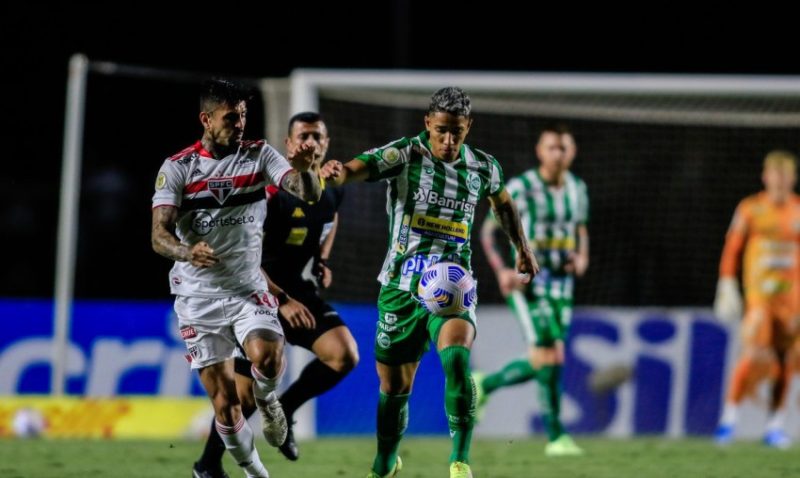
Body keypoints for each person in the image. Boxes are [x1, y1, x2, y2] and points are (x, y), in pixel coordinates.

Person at [324, 87, 538, 478]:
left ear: (468, 126)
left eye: (457, 131)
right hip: (401, 288)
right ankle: (386, 461)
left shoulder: (483, 167)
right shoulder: (404, 154)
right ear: (428, 123)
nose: (448, 139)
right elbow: (358, 168)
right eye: (441, 130)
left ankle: (460, 462)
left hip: (453, 287)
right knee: (393, 388)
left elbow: (503, 202)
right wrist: (337, 172)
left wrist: (521, 247)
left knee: (457, 358)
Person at [152, 78, 324, 478]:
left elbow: (306, 192)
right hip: (198, 299)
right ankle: (254, 473)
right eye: (231, 117)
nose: (240, 123)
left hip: (248, 288)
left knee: (269, 358)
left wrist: (308, 168)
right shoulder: (177, 168)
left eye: (244, 115)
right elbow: (158, 235)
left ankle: (268, 401)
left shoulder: (259, 154)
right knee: (226, 405)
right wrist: (185, 251)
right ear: (206, 120)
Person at [192, 112, 359, 478]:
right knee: (245, 396)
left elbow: (332, 219)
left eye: (317, 136)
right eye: (303, 137)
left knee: (343, 354)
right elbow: (242, 257)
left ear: (327, 143)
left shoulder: (334, 185)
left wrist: (323, 259)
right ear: (289, 145)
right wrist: (282, 300)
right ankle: (206, 466)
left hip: (295, 289)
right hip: (255, 290)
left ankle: (283, 411)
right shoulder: (270, 193)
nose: (311, 143)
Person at [475, 125, 589, 457]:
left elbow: (580, 229)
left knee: (549, 357)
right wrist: (502, 271)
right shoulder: (522, 187)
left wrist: (581, 258)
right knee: (548, 354)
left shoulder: (577, 189)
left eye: (564, 148)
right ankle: (556, 437)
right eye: (552, 147)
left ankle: (484, 385)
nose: (559, 154)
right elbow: (487, 232)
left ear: (572, 152)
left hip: (562, 285)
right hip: (528, 284)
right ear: (540, 151)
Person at [713, 150, 800, 449]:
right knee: (751, 353)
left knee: (787, 360)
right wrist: (726, 282)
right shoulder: (750, 209)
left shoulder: (799, 211)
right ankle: (727, 422)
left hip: (792, 303)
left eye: (785, 176)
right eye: (775, 176)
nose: (780, 182)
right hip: (760, 298)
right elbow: (732, 247)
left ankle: (774, 427)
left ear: (793, 179)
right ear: (765, 177)